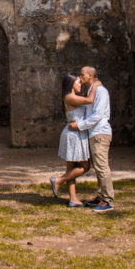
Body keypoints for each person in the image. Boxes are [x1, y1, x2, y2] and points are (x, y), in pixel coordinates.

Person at [69, 66, 113, 212]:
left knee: (101, 166)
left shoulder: (100, 91)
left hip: (100, 132)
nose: (80, 77)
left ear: (90, 76)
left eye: (82, 75)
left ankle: (107, 200)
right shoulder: (91, 91)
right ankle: (101, 197)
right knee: (98, 166)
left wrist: (80, 125)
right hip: (94, 133)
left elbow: (98, 115)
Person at [50, 73, 98, 207]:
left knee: (71, 169)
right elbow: (90, 100)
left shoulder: (73, 97)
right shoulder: (70, 97)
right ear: (71, 84)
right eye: (78, 82)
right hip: (74, 135)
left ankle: (73, 199)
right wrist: (95, 84)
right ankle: (58, 181)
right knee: (85, 166)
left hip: (73, 133)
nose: (80, 84)